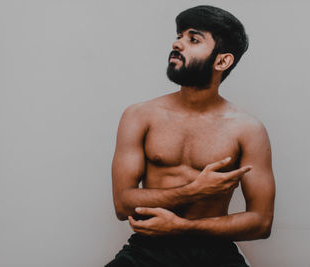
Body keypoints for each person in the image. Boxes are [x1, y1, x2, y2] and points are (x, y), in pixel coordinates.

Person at [105, 5, 275, 267]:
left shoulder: (247, 129)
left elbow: (261, 222)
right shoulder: (140, 116)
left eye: (193, 39)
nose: (177, 43)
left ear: (222, 61)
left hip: (215, 253)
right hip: (147, 251)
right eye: (179, 36)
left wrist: (182, 226)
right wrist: (194, 190)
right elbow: (123, 204)